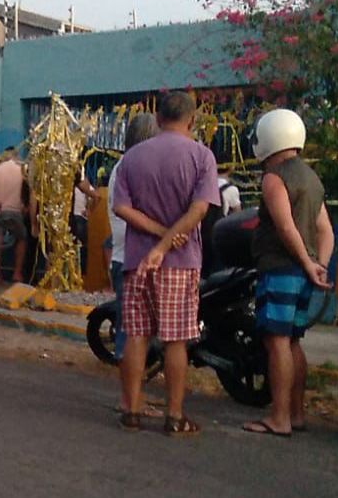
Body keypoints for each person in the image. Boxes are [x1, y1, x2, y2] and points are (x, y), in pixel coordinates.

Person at [113, 92, 219, 437]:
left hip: (137, 261)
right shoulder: (202, 156)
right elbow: (200, 209)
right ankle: (174, 416)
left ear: (158, 120)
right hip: (180, 261)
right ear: (191, 121)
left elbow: (121, 208)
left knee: (137, 336)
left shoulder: (132, 158)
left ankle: (131, 409)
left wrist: (157, 235)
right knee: (175, 341)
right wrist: (168, 238)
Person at [242, 109, 334, 437]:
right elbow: (325, 230)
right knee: (294, 342)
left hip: (280, 268)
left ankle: (278, 418)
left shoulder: (274, 177)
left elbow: (284, 226)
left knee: (276, 341)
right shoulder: (311, 178)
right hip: (304, 272)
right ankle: (296, 413)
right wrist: (317, 264)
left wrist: (307, 264)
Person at [107, 113, 160, 414]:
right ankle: (130, 400)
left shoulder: (124, 166)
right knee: (132, 332)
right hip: (130, 257)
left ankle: (132, 397)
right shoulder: (131, 167)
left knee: (134, 330)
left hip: (126, 255)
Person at [0, 147, 30, 283]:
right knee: (21, 238)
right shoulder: (22, 169)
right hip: (16, 211)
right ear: (16, 155)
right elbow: (27, 190)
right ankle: (17, 273)